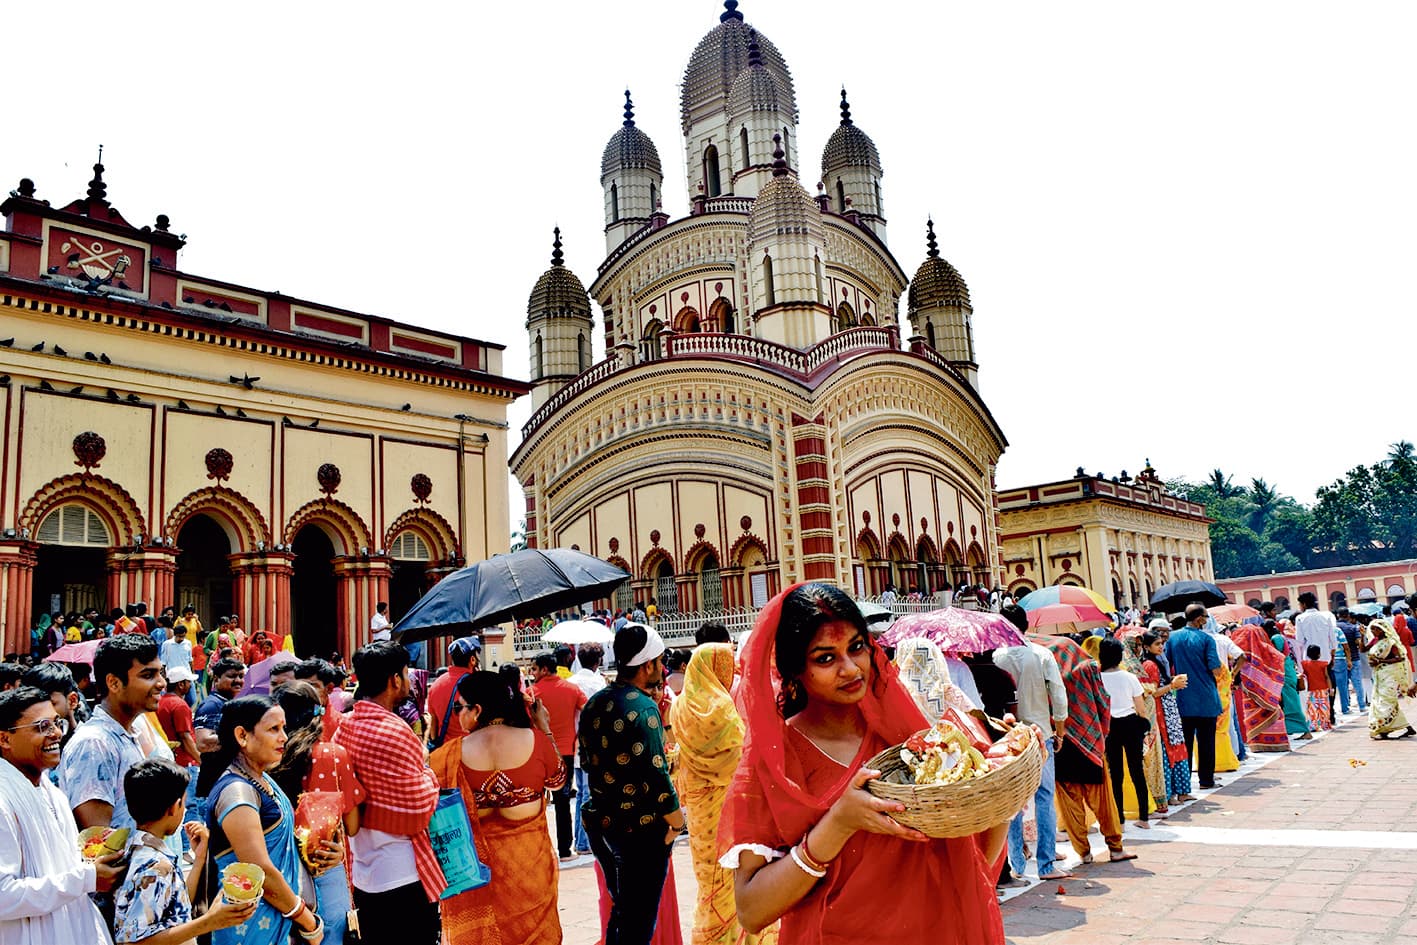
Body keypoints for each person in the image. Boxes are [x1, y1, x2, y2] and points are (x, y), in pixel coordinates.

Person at [722, 584, 1007, 945]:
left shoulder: (906, 738)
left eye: (856, 647)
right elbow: (751, 911)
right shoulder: (776, 762)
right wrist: (839, 822)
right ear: (794, 671)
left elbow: (972, 863)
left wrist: (1002, 787)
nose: (850, 668)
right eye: (825, 658)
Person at [431, 670, 566, 943]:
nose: (457, 715)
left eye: (459, 707)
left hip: (475, 875)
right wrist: (544, 728)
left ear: (477, 710)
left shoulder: (446, 756)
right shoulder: (536, 740)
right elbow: (558, 781)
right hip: (530, 872)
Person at [581, 624, 685, 945]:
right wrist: (676, 822)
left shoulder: (595, 703)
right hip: (642, 830)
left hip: (605, 823)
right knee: (638, 922)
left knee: (623, 911)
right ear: (647, 665)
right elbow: (656, 776)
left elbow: (588, 762)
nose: (663, 668)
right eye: (660, 661)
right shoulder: (643, 708)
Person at [333, 641, 443, 943]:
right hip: (403, 873)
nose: (409, 681)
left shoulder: (344, 727)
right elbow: (419, 808)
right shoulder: (394, 731)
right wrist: (428, 773)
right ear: (395, 679)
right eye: (406, 674)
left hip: (364, 871)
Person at [196, 695, 324, 944]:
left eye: (283, 728)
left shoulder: (260, 779)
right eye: (273, 729)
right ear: (242, 735)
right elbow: (261, 871)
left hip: (279, 920)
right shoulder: (237, 793)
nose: (284, 737)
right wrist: (308, 922)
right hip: (252, 929)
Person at [669, 642, 772, 945]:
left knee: (708, 873)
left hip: (699, 807)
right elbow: (741, 756)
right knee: (731, 870)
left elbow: (680, 751)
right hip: (726, 803)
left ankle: (712, 932)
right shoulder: (722, 708)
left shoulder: (679, 705)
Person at [0, 686, 118, 943]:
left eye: (56, 723)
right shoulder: (3, 799)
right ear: (5, 739)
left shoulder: (51, 792)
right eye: (42, 726)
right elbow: (3, 896)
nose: (56, 733)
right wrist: (86, 878)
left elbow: (66, 868)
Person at [112, 759, 257, 943]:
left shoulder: (139, 850)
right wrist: (210, 921)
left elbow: (174, 907)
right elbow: (135, 942)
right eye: (184, 805)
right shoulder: (154, 866)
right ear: (175, 807)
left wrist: (199, 858)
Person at [269, 681, 362, 944]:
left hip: (278, 869)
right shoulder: (334, 756)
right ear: (318, 713)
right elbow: (352, 826)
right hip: (325, 864)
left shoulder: (266, 759)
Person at [1035, 635, 1138, 867]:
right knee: (1103, 800)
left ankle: (1083, 852)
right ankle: (1115, 848)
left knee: (1069, 801)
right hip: (1089, 739)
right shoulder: (1087, 667)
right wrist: (1101, 732)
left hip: (1059, 739)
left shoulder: (1043, 670)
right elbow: (1103, 700)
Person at [59, 635, 175, 835]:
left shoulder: (126, 734)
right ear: (113, 683)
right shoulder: (95, 743)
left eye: (161, 673)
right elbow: (97, 840)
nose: (161, 683)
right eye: (148, 675)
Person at [994, 604, 1069, 881]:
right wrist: (1059, 730)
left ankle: (1017, 863)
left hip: (1009, 735)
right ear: (1026, 625)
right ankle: (1046, 864)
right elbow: (1058, 696)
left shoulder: (997, 655)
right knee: (1045, 797)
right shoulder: (1040, 654)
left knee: (1012, 800)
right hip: (1040, 734)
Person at [529, 651, 588, 861]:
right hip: (565, 752)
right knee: (562, 803)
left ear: (544, 669)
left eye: (535, 669)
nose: (532, 673)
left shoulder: (531, 693)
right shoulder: (572, 689)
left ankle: (540, 850)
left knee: (536, 803)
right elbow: (588, 710)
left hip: (537, 753)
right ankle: (564, 850)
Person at [1164, 604, 1224, 790]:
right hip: (1206, 698)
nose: (1206, 620)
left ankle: (1184, 783)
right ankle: (1206, 780)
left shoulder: (1173, 638)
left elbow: (1166, 665)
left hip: (1183, 697)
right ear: (1199, 619)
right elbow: (1215, 668)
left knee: (1184, 744)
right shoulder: (1207, 639)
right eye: (1205, 616)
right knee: (1206, 743)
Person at [1099, 639, 1150, 829]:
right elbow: (1141, 708)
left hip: (1109, 727)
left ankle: (1119, 819)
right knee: (1137, 771)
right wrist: (1145, 728)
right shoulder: (1129, 677)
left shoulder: (1097, 678)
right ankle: (1144, 818)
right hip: (1131, 723)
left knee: (1116, 774)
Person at [1138, 630, 1192, 803]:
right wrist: (1172, 685)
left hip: (1168, 709)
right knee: (1169, 749)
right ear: (1146, 647)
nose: (1161, 647)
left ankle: (1181, 791)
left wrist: (1172, 682)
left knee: (1177, 746)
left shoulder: (1159, 661)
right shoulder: (1150, 665)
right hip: (1161, 711)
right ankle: (1170, 794)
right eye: (1157, 644)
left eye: (1162, 643)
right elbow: (1153, 693)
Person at [568, 642, 608, 856]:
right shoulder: (598, 683)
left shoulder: (571, 683)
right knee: (589, 794)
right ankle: (585, 841)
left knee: (582, 793)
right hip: (594, 746)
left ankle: (580, 840)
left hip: (575, 744)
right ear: (598, 661)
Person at [1231, 622, 1290, 751]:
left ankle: (1258, 745)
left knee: (1252, 714)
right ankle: (1277, 743)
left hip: (1248, 688)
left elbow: (1238, 660)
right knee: (1271, 712)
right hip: (1268, 690)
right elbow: (1280, 660)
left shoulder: (1242, 647)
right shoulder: (1268, 650)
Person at [1363, 619, 1415, 739]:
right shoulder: (1375, 640)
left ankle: (1384, 729)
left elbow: (1399, 658)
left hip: (1389, 674)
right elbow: (1363, 649)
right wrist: (1361, 636)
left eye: (1376, 629)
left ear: (1383, 629)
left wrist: (1380, 661)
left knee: (1387, 700)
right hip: (1379, 675)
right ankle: (1406, 727)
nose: (1373, 631)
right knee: (1382, 701)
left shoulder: (1391, 642)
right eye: (1372, 629)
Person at [426, 636, 480, 750]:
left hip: (445, 751)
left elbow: (433, 727)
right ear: (472, 660)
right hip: (473, 750)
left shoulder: (435, 685)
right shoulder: (478, 685)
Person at [1271, 634, 1311, 738]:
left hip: (1287, 685)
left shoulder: (1281, 659)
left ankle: (1306, 730)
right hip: (1287, 685)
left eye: (1274, 644)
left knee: (1292, 707)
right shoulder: (1287, 658)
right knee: (1289, 707)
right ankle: (1289, 730)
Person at [1301, 645, 1333, 732]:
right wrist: (1331, 689)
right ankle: (1325, 724)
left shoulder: (1305, 664)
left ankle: (1313, 725)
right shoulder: (1323, 664)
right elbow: (1327, 677)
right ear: (1319, 654)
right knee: (1324, 707)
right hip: (1323, 690)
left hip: (1312, 690)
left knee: (1312, 708)